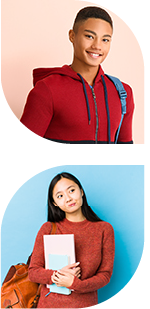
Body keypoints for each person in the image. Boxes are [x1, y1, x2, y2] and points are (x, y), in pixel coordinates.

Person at [20, 6, 134, 144]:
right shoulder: (47, 90)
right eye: (89, 36)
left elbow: (126, 155)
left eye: (105, 40)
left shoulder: (122, 93)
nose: (97, 46)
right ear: (72, 36)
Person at [28, 172, 115, 309]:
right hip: (49, 305)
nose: (68, 198)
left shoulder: (104, 229)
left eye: (72, 190)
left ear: (81, 192)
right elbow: (33, 272)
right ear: (54, 203)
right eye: (60, 196)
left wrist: (74, 284)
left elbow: (105, 275)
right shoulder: (48, 228)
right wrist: (58, 275)